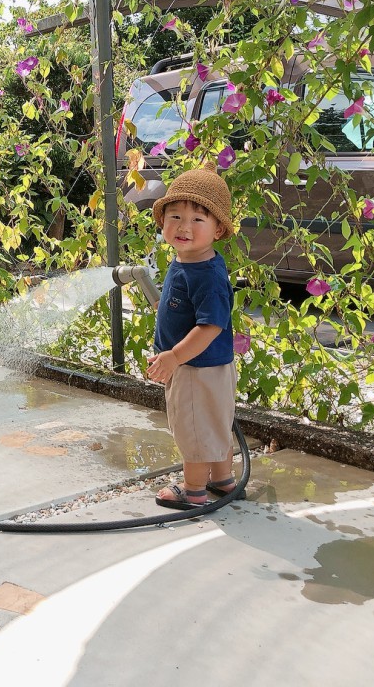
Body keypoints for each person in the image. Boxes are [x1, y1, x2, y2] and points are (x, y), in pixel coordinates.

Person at [145, 162, 245, 510]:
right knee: (214, 427)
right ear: (162, 221)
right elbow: (185, 310)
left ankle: (193, 491)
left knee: (193, 431)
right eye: (175, 217)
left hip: (196, 369)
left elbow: (210, 327)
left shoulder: (207, 275)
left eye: (198, 220)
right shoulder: (188, 261)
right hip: (203, 367)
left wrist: (174, 357)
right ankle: (222, 480)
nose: (184, 227)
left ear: (218, 229)